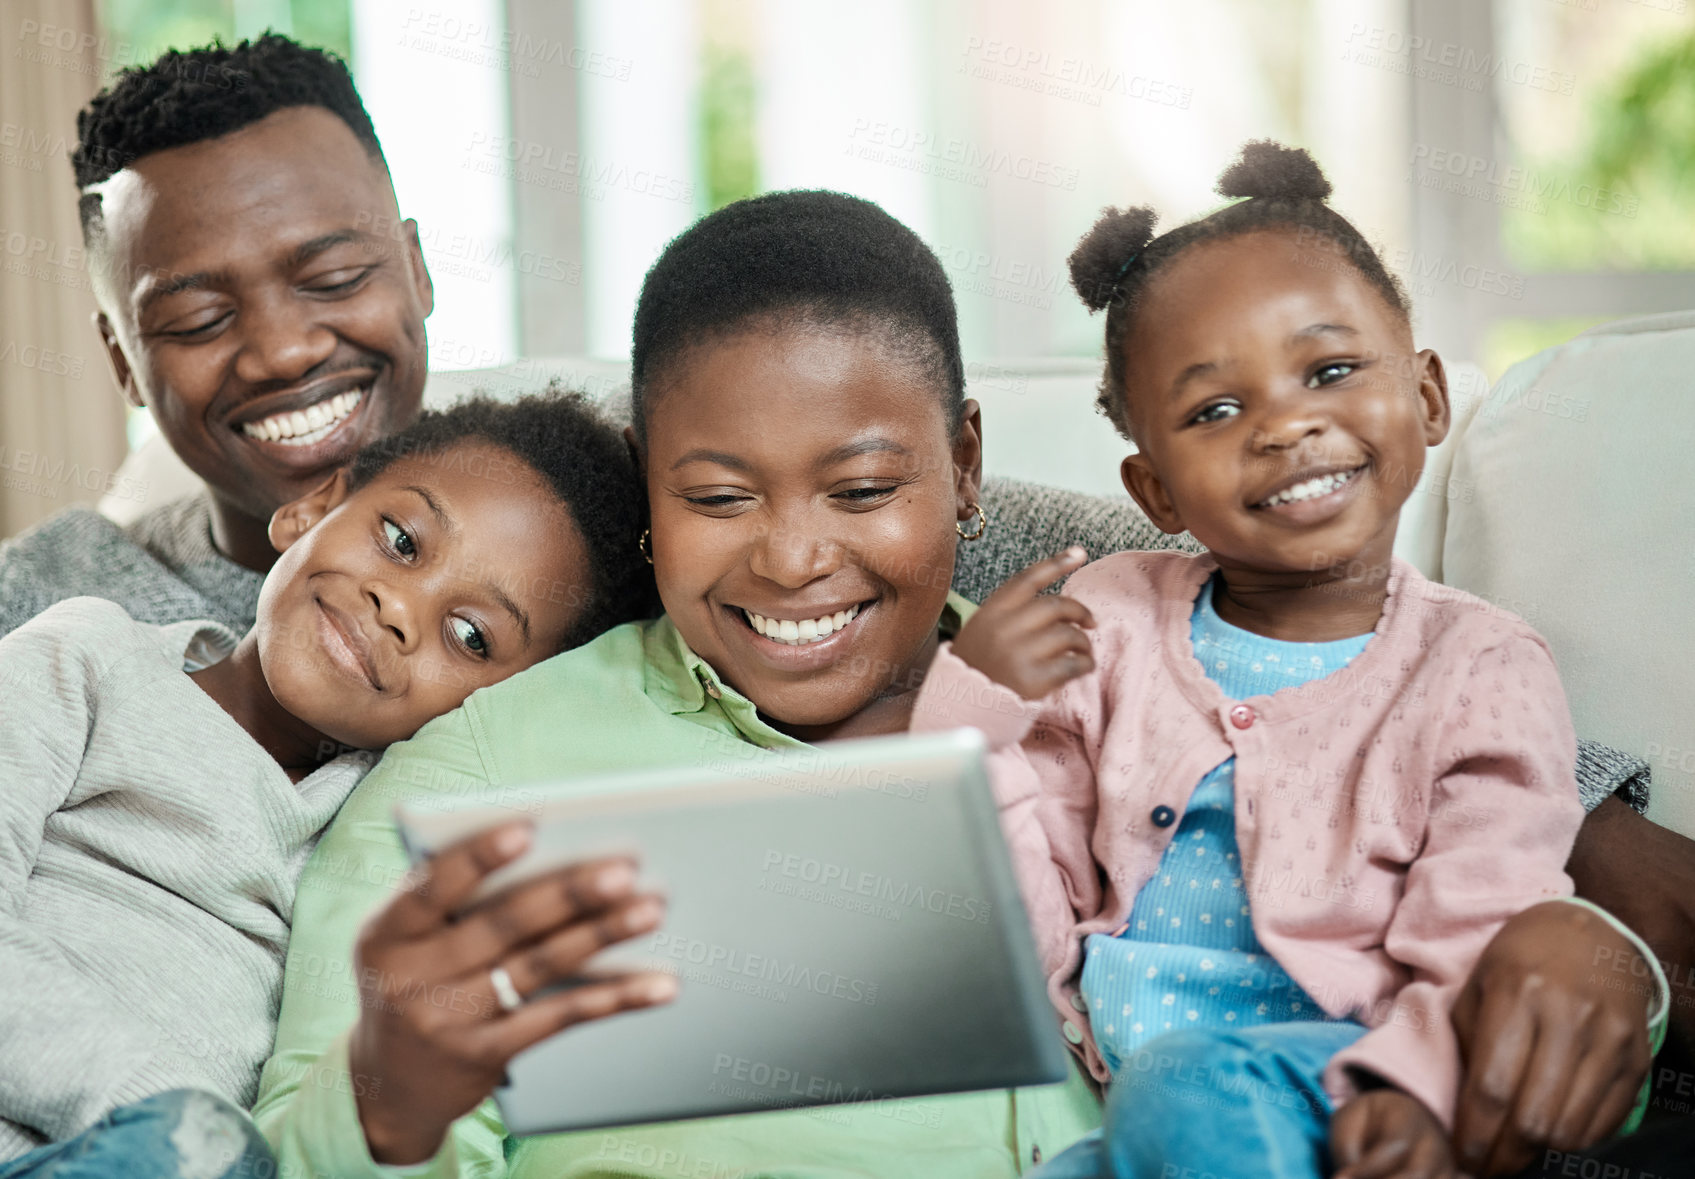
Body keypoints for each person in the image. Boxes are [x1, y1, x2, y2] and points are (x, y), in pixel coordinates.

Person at [254, 190, 1663, 1179]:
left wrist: (1602, 954)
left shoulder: (1116, 663)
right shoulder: (486, 765)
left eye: (864, 486)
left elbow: (1402, 741)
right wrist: (388, 1099)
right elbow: (296, 1147)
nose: (796, 555)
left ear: (966, 464)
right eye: (717, 495)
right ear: (650, 499)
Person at [909, 143, 1662, 1179]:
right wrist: (971, 717)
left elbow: (1486, 909)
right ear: (1156, 491)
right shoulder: (1105, 623)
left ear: (1429, 397)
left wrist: (1423, 1095)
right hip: (1120, 1103)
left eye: (1331, 370)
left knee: (1191, 1080)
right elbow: (1018, 908)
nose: (1285, 424)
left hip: (1346, 1084)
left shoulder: (1480, 665)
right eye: (1216, 411)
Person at [0, 391, 655, 1177]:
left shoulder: (383, 832)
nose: (398, 606)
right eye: (400, 541)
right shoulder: (90, 658)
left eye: (471, 635)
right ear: (312, 507)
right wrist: (160, 1109)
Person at [0, 34, 432, 639]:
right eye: (198, 320)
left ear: (417, 271)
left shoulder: (575, 560)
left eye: (334, 279)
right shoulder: (32, 609)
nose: (284, 352)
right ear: (123, 363)